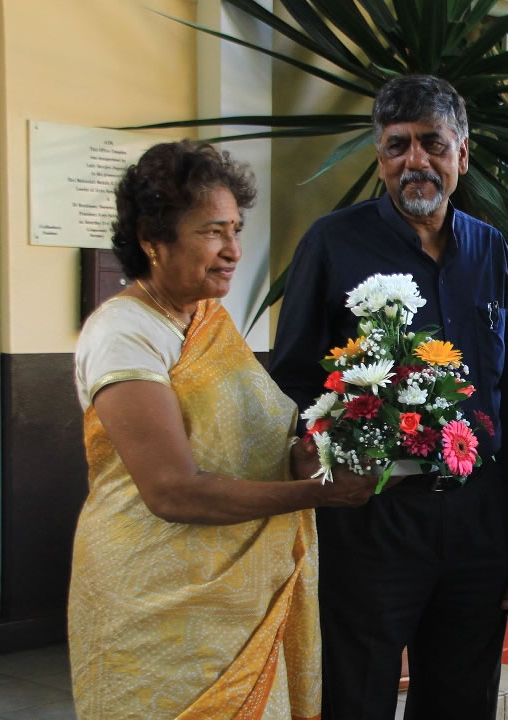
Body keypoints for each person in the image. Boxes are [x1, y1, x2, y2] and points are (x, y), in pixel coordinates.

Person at [268, 74, 508, 720]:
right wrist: (331, 455)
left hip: (477, 521)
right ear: (379, 156)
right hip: (374, 518)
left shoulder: (490, 251)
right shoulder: (333, 244)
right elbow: (291, 378)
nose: (415, 160)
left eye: (433, 143)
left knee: (461, 699)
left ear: (463, 154)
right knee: (356, 696)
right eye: (398, 145)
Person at [69, 140, 380, 719]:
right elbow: (171, 490)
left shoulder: (205, 320)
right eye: (212, 232)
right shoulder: (125, 333)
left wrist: (307, 452)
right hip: (158, 605)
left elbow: (252, 439)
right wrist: (316, 494)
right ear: (152, 240)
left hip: (240, 601)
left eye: (235, 229)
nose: (233, 250)